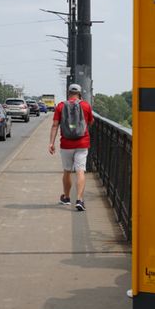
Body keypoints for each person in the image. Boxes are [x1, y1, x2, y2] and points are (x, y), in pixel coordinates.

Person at [49, 83, 94, 212]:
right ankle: (79, 200)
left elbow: (55, 125)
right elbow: (91, 121)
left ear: (68, 93)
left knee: (67, 171)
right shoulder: (86, 105)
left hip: (66, 144)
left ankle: (67, 197)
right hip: (82, 143)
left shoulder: (61, 106)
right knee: (80, 171)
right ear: (79, 93)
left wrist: (51, 143)